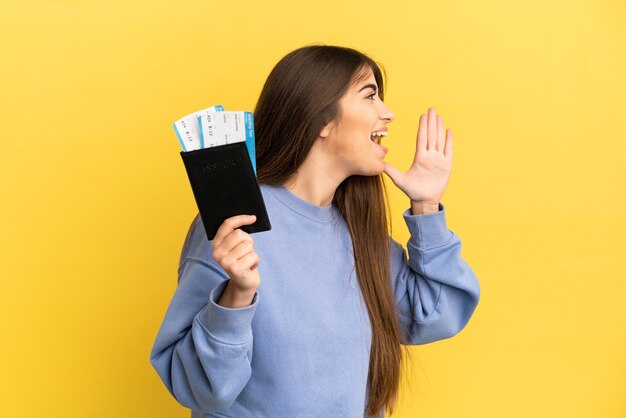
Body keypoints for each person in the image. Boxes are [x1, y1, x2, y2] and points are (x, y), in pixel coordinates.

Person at [150, 44, 480, 418]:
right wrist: (236, 297)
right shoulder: (239, 223)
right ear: (321, 119)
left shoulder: (359, 234)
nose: (388, 114)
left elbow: (436, 316)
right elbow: (200, 388)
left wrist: (426, 206)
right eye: (370, 96)